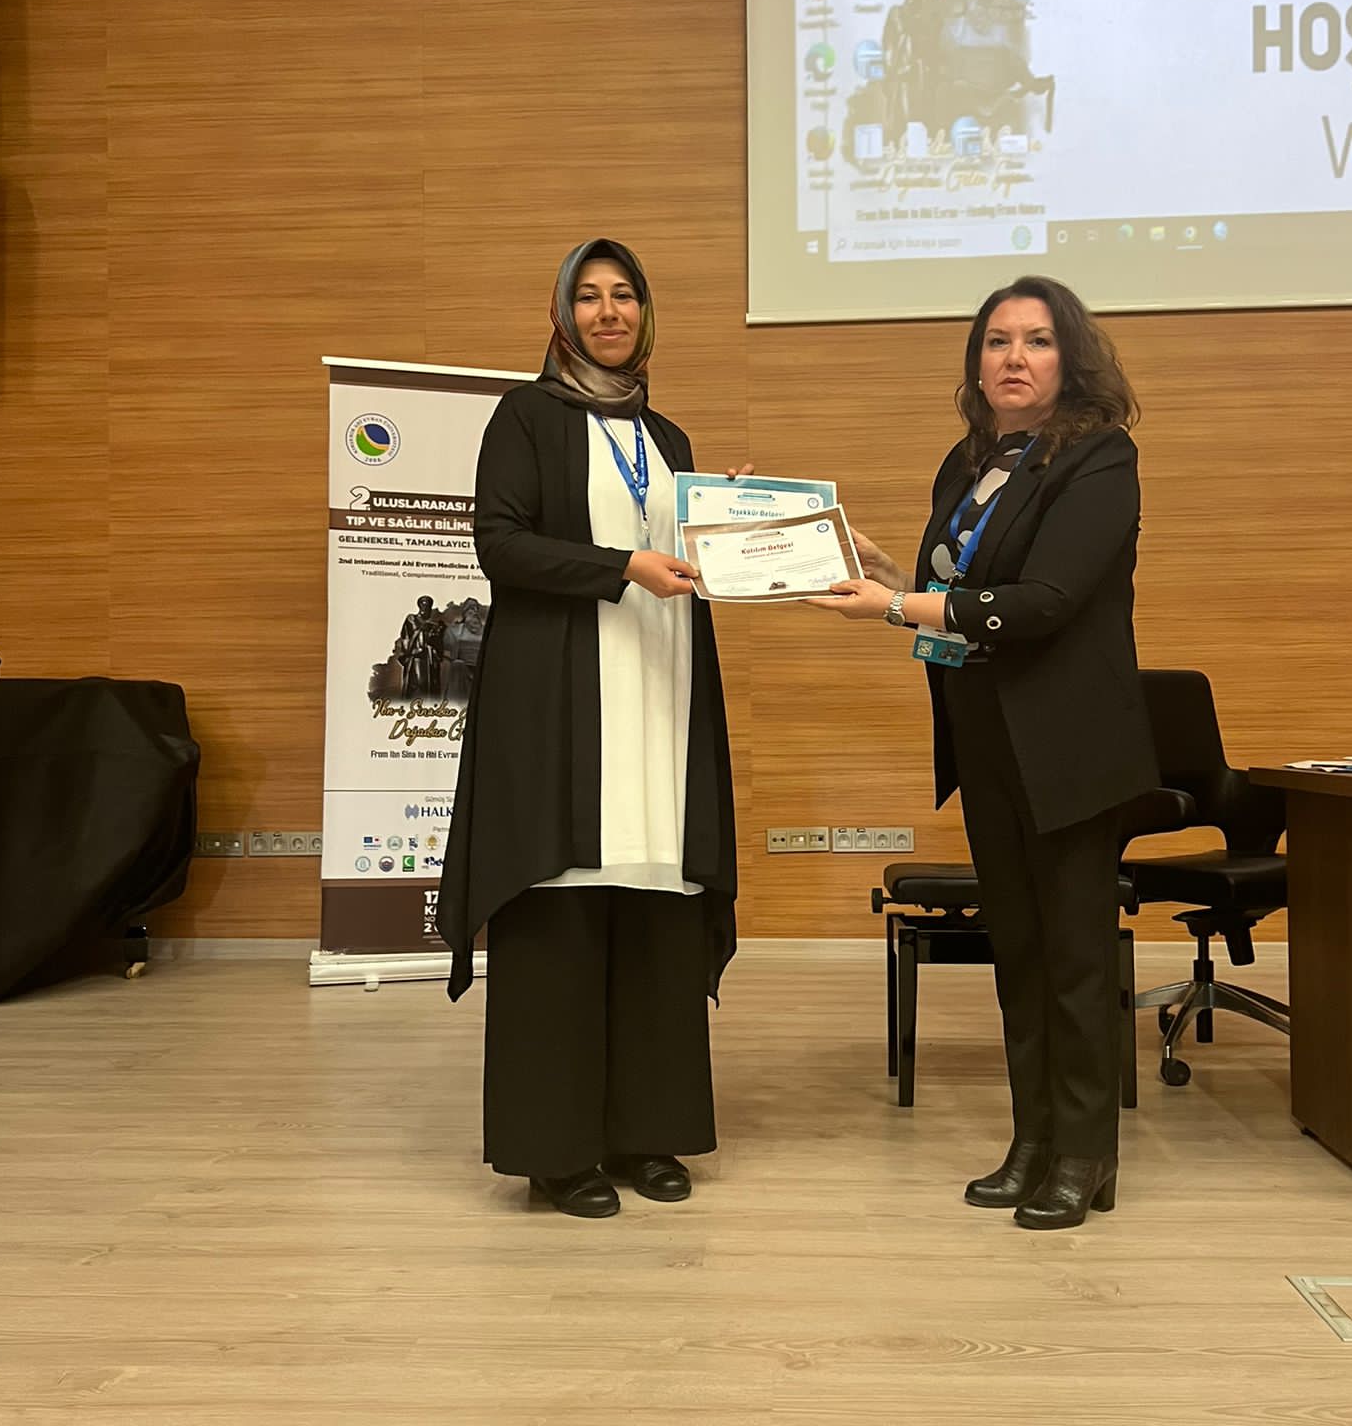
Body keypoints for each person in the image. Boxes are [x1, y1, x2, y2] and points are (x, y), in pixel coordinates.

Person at [811, 276, 1157, 1229]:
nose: (1014, 358)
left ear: (1069, 359)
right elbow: (960, 583)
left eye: (1037, 341)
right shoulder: (967, 464)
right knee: (1021, 956)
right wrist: (890, 573)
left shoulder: (1101, 457)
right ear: (976, 362)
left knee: (1075, 959)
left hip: (1070, 747)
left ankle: (1084, 1155)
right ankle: (1033, 1142)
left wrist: (896, 606)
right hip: (989, 740)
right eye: (997, 341)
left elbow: (1044, 601)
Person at [438, 239, 737, 1219]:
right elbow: (501, 543)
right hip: (560, 702)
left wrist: (726, 521)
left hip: (660, 692)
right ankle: (557, 1151)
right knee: (562, 908)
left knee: (655, 902)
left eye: (626, 296)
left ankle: (647, 1131)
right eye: (590, 296)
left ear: (646, 315)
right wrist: (621, 568)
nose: (610, 312)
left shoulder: (669, 436)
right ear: (563, 315)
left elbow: (680, 556)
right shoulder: (525, 416)